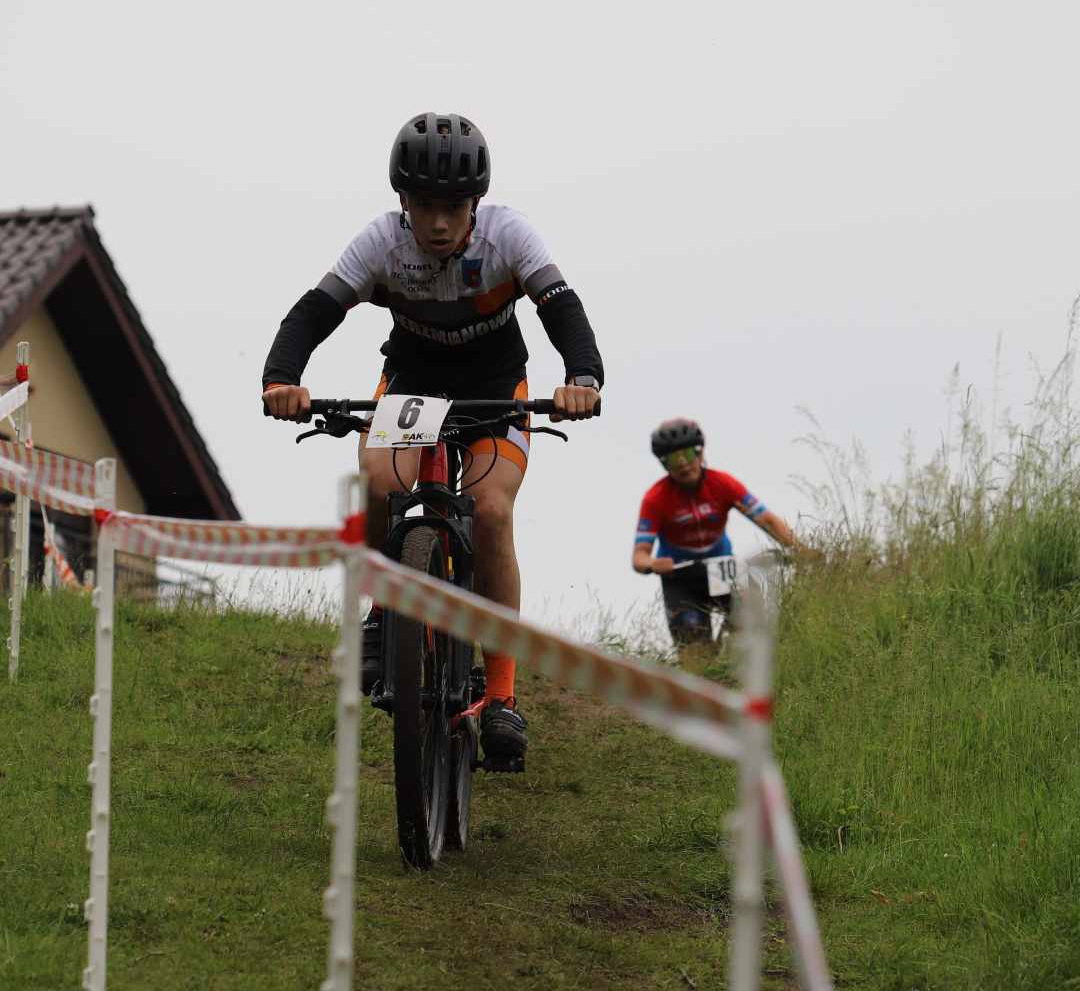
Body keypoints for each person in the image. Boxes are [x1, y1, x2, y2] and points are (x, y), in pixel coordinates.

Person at [262, 112, 603, 771]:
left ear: (476, 203)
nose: (439, 223)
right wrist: (282, 380)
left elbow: (563, 308)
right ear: (402, 201)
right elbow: (313, 312)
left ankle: (501, 695)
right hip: (413, 385)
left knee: (493, 512)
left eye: (453, 207)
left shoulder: (510, 235)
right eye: (424, 207)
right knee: (380, 483)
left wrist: (581, 379)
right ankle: (384, 612)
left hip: (495, 389)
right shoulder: (380, 243)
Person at [633, 417, 805, 648]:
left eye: (688, 454)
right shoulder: (655, 499)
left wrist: (801, 550)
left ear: (700, 452)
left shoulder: (723, 484)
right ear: (665, 464)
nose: (683, 464)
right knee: (694, 651)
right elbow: (639, 557)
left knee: (750, 622)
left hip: (721, 568)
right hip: (680, 578)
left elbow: (767, 520)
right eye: (674, 458)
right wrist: (652, 564)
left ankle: (733, 658)